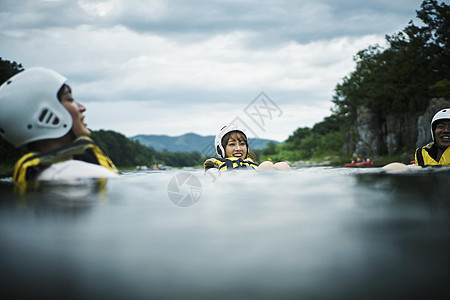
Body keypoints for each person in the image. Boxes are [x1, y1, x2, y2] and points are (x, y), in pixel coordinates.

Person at [0, 67, 119, 184]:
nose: (82, 107)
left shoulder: (35, 175)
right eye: (70, 99)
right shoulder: (87, 174)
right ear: (44, 115)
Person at [204, 124, 290, 172]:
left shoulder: (252, 164)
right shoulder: (214, 169)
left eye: (242, 144)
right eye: (232, 144)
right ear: (221, 149)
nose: (238, 148)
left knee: (283, 166)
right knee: (267, 165)